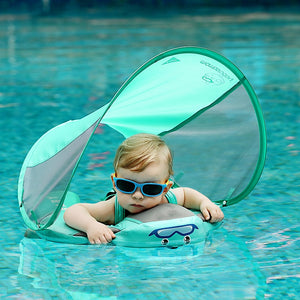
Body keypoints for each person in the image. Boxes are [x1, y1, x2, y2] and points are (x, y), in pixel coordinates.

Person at [64, 133, 224, 244]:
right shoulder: (114, 208)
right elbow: (73, 211)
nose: (138, 195)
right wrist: (92, 226)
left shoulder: (169, 198)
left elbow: (187, 194)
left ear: (166, 188)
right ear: (114, 182)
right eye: (126, 185)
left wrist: (205, 203)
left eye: (150, 188)